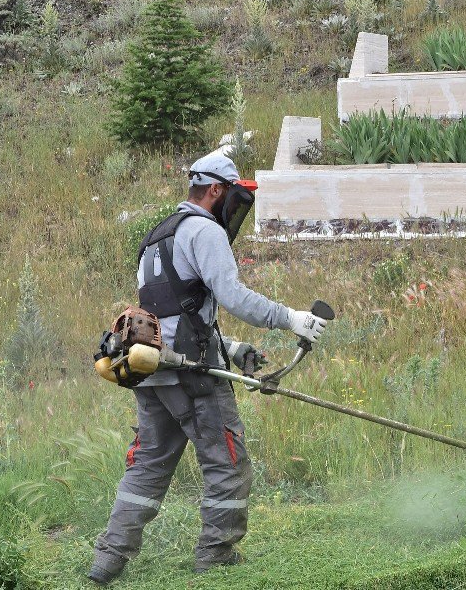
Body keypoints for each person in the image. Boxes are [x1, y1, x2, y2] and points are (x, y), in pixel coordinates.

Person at [88, 153, 329, 585]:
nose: (233, 208)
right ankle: (215, 557)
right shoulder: (203, 231)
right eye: (233, 197)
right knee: (227, 462)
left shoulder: (156, 238)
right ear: (216, 190)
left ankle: (107, 561)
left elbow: (173, 313)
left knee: (146, 467)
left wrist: (231, 347)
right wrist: (293, 319)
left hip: (153, 370)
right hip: (194, 378)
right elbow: (232, 296)